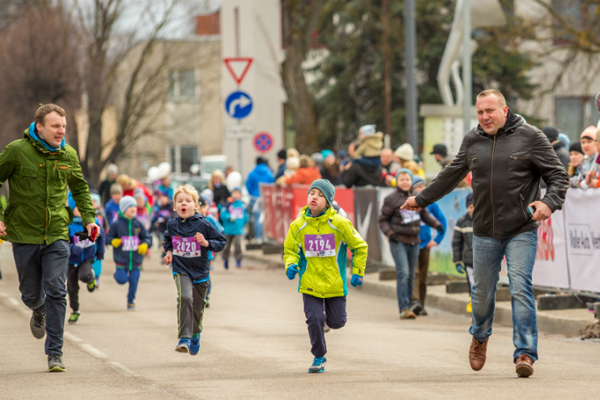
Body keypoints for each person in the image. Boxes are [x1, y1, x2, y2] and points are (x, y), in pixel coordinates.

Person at [401, 89, 568, 377]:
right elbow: (451, 174)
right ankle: (480, 336)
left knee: (520, 286)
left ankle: (525, 353)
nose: (484, 117)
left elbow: (558, 175)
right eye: (480, 112)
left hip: (521, 227)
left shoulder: (531, 137)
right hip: (484, 230)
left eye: (490, 111)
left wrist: (548, 202)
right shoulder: (472, 140)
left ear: (505, 111)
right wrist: (421, 199)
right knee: (481, 295)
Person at [0, 104, 100, 372]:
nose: (61, 131)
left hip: (57, 232)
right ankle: (38, 308)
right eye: (56, 126)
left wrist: (89, 219)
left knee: (57, 289)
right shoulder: (16, 151)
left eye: (63, 127)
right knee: (31, 294)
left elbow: (79, 188)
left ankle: (55, 353)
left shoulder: (68, 154)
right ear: (40, 126)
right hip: (24, 232)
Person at [284, 179, 368, 373]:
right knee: (314, 319)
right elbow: (290, 250)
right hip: (310, 282)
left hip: (335, 283)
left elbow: (359, 246)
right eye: (312, 193)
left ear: (329, 201)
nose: (315, 197)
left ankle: (329, 322)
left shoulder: (339, 222)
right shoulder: (298, 225)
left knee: (337, 322)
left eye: (321, 195)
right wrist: (290, 265)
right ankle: (318, 356)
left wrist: (358, 271)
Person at [163, 185, 226, 354]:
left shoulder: (204, 224)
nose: (184, 203)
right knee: (184, 297)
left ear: (195, 205)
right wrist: (169, 253)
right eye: (180, 201)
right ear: (175, 206)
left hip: (201, 272)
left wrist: (206, 243)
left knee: (198, 307)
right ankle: (184, 338)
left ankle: (195, 334)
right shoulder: (171, 224)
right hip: (181, 269)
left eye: (188, 200)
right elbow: (167, 241)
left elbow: (221, 241)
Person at [379, 169, 442, 319]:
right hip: (398, 241)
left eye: (408, 179)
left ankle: (409, 304)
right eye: (402, 179)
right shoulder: (391, 199)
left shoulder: (417, 197)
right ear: (397, 182)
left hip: (414, 241)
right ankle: (404, 308)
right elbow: (382, 220)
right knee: (404, 273)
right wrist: (390, 233)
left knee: (411, 276)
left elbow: (425, 215)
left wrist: (436, 225)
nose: (405, 182)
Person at [107, 195, 152, 310]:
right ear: (123, 209)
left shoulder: (139, 224)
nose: (133, 209)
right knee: (122, 280)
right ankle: (117, 275)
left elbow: (147, 237)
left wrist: (145, 244)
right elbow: (108, 237)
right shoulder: (116, 224)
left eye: (134, 206)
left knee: (134, 280)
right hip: (121, 258)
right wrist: (113, 241)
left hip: (136, 259)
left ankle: (131, 301)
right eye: (129, 206)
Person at [410, 176, 446, 316]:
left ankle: (422, 303)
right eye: (418, 187)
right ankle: (414, 302)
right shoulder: (409, 202)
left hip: (425, 244)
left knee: (423, 276)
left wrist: (437, 240)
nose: (421, 189)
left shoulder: (431, 204)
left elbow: (441, 221)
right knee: (415, 273)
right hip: (411, 244)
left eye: (423, 186)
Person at [66, 193, 105, 324]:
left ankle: (91, 279)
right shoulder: (68, 224)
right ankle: (75, 311)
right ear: (72, 209)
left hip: (86, 259)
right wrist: (72, 248)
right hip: (71, 261)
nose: (82, 210)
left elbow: (100, 237)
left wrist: (100, 253)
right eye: (78, 207)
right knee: (71, 288)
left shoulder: (92, 222)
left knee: (84, 275)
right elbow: (62, 242)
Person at [198, 195, 225, 308]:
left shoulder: (209, 219)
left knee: (206, 275)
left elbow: (220, 233)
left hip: (207, 254)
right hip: (192, 255)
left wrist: (210, 242)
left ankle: (205, 297)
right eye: (197, 208)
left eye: (201, 207)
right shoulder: (188, 220)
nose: (199, 210)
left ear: (206, 207)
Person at [453, 193, 475, 313]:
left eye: (475, 206)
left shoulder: (487, 220)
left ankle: (483, 309)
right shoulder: (461, 222)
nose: (473, 209)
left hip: (484, 260)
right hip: (469, 261)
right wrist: (457, 260)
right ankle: (474, 310)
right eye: (470, 207)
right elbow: (456, 243)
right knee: (472, 284)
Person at [246, 157, 275, 243]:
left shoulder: (252, 173)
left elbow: (248, 185)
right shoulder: (269, 173)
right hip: (266, 198)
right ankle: (266, 237)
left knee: (257, 218)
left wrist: (252, 194)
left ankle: (258, 237)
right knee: (267, 217)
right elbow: (272, 185)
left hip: (255, 199)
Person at [220, 187, 249, 269]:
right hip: (228, 230)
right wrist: (229, 217)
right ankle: (225, 259)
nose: (236, 195)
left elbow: (246, 216)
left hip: (238, 230)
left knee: (238, 245)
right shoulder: (228, 204)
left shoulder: (243, 205)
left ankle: (238, 260)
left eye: (238, 193)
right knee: (226, 247)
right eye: (234, 193)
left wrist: (245, 221)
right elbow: (222, 215)